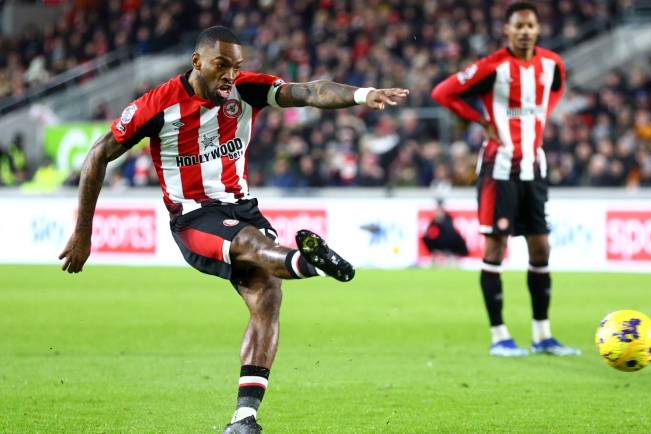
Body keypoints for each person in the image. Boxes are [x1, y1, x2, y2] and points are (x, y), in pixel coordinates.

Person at [58, 26, 408, 434]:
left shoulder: (245, 91)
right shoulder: (156, 105)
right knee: (251, 245)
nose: (230, 74)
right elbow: (98, 154)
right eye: (221, 65)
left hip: (243, 207)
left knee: (267, 295)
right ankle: (307, 262)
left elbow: (310, 92)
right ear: (197, 62)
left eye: (236, 66)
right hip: (194, 217)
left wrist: (363, 95)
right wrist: (84, 233)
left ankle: (244, 418)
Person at [431, 3, 579, 358]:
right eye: (519, 26)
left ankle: (543, 335)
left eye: (531, 26)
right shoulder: (493, 66)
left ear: (538, 30)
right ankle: (499, 336)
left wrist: (544, 115)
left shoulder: (551, 64)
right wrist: (479, 121)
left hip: (534, 167)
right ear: (508, 31)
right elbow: (442, 93)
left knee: (541, 248)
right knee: (495, 249)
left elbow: (555, 90)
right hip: (499, 168)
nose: (525, 32)